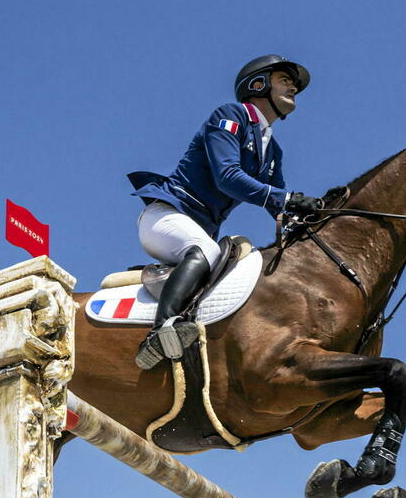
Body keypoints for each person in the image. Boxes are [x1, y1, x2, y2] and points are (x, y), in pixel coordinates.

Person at [129, 54, 324, 369]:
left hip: (198, 230)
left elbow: (279, 205)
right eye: (285, 80)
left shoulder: (272, 151)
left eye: (294, 85)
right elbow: (228, 177)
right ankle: (161, 331)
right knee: (207, 250)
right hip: (166, 217)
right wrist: (288, 199)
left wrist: (311, 215)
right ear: (258, 84)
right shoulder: (230, 115)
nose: (294, 88)